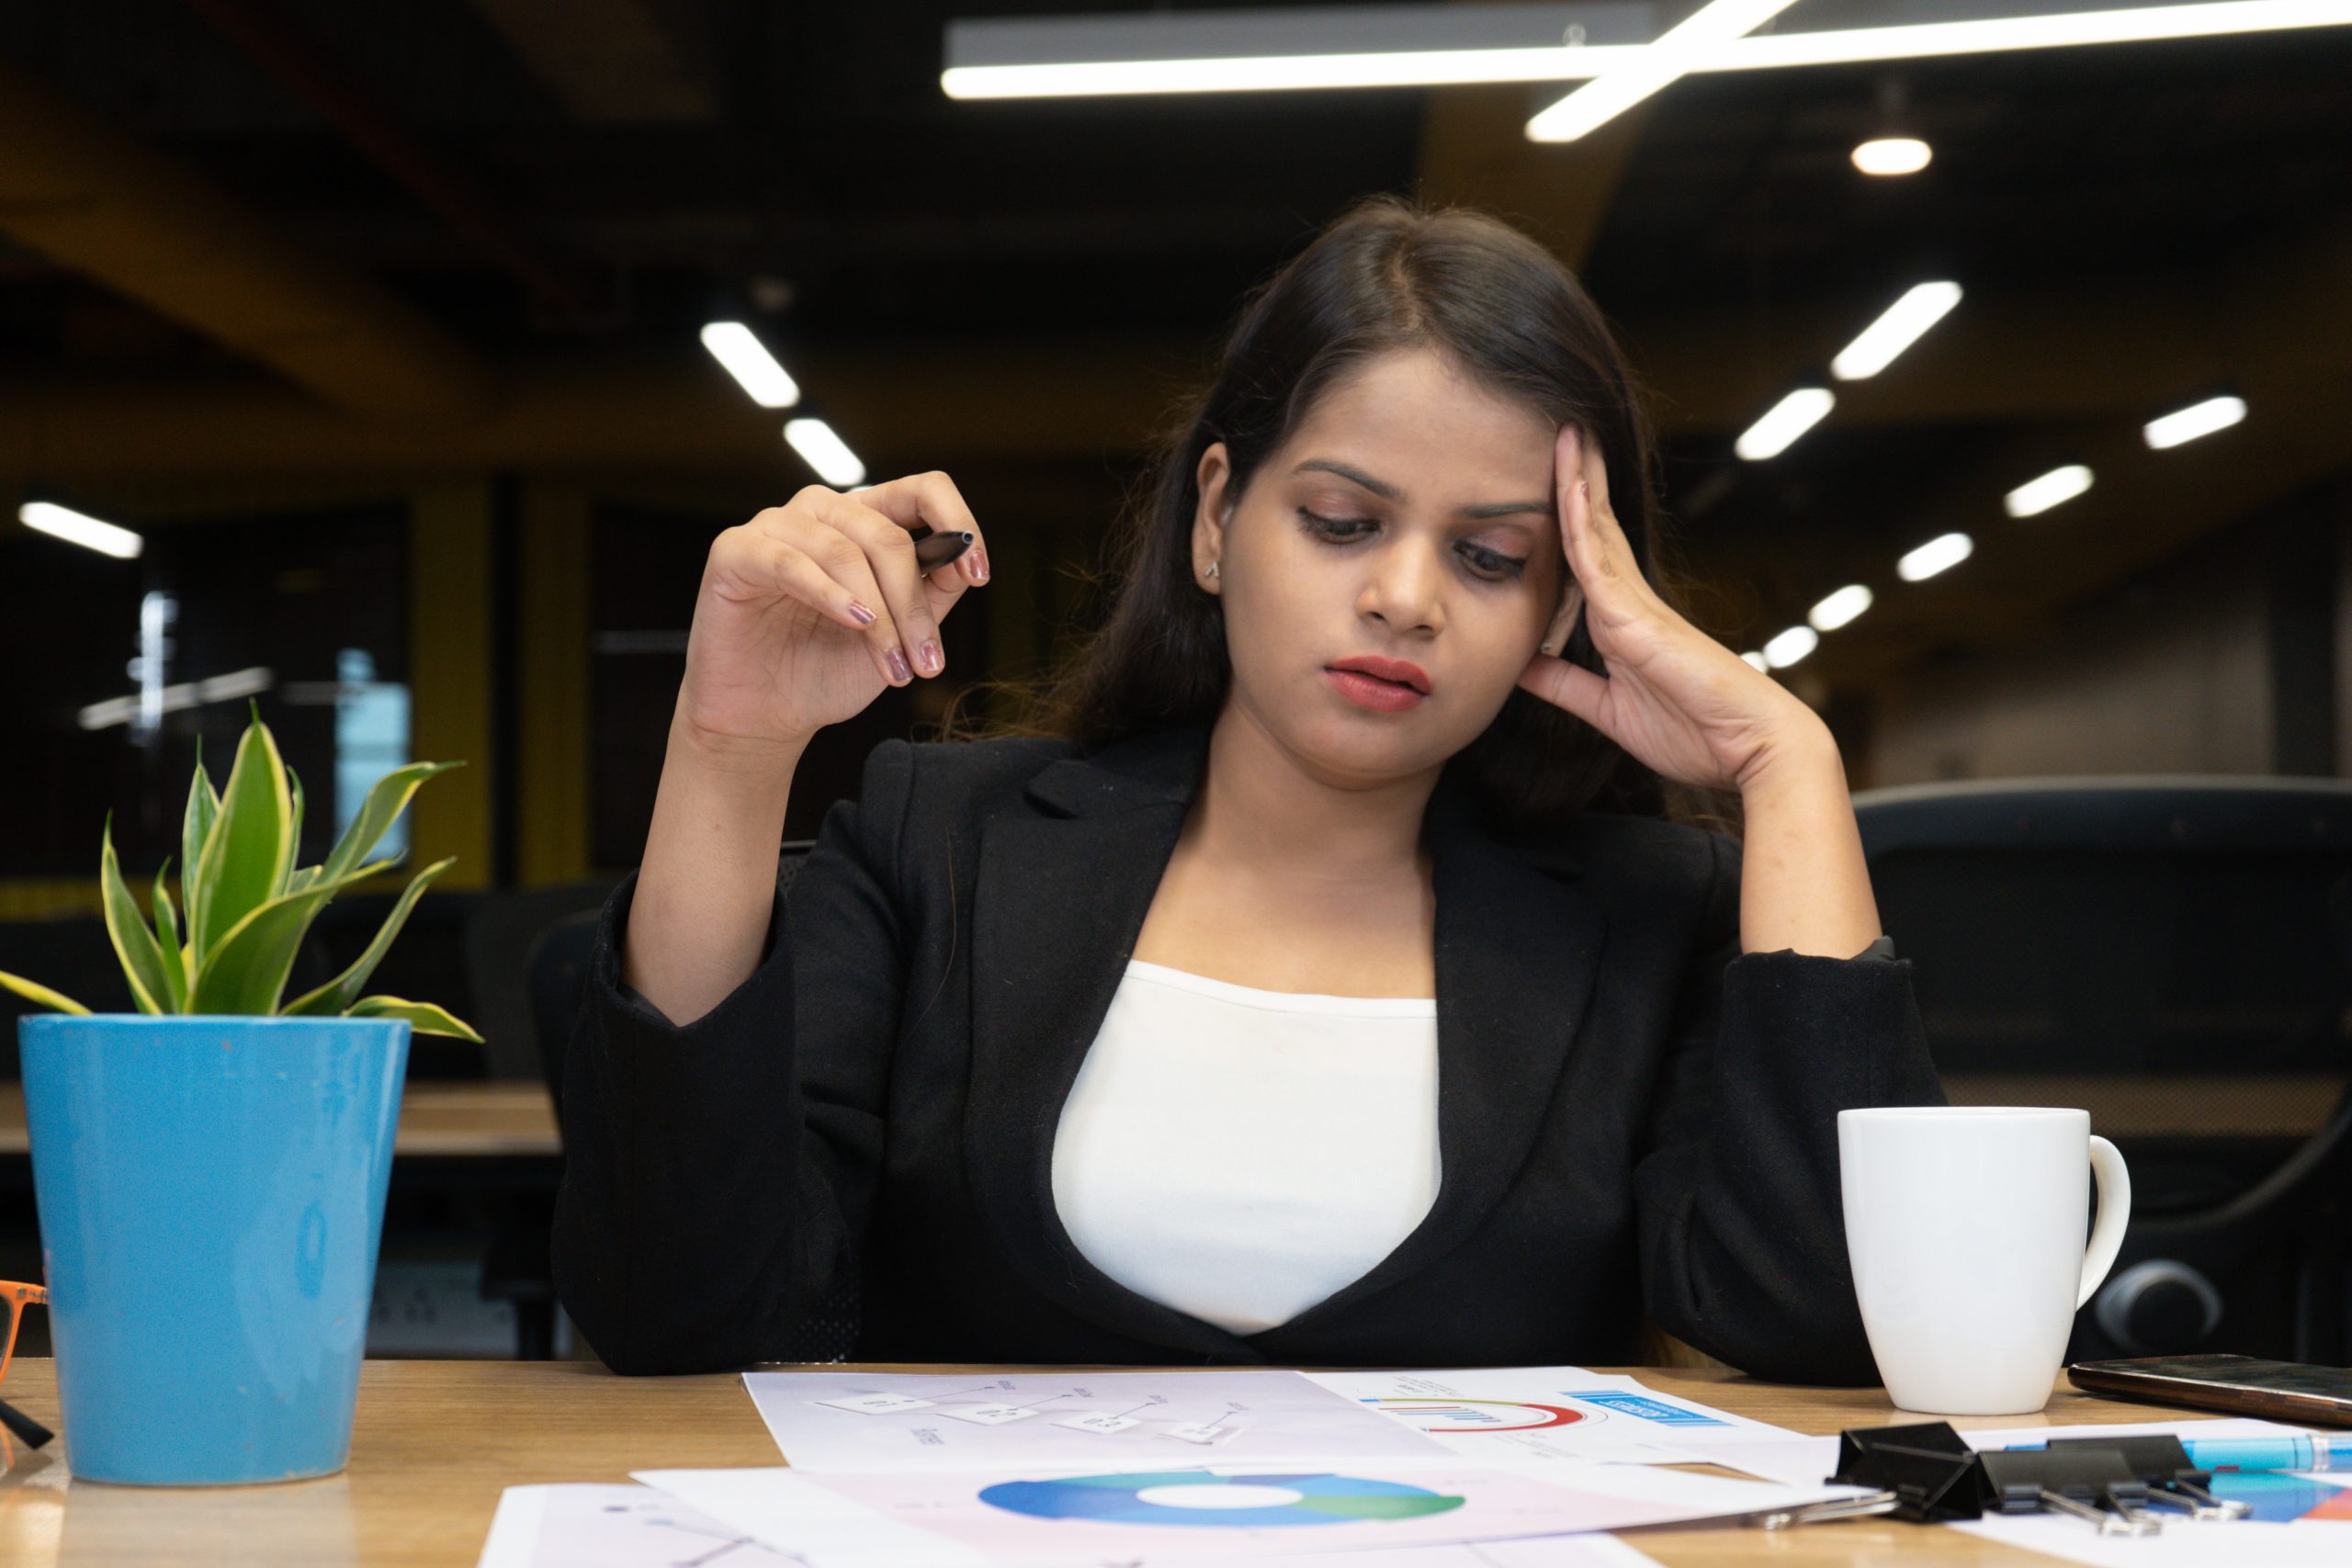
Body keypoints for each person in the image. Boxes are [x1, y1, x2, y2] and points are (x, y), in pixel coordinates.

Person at [551, 194, 1946, 1381]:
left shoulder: (1653, 917)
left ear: (1567, 604)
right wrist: (729, 747)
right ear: (1218, 518)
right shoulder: (944, 844)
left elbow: (1828, 1329)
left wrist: (1788, 765)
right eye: (1342, 523)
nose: (1403, 598)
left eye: (1490, 558)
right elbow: (677, 1313)